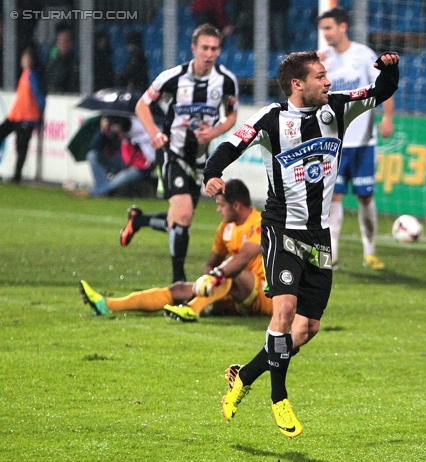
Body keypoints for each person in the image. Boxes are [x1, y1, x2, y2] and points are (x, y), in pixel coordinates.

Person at [202, 50, 400, 437]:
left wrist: (390, 69)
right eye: (321, 76)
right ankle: (279, 399)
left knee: (307, 328)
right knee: (286, 311)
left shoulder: (337, 111)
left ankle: (245, 376)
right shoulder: (271, 119)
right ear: (298, 84)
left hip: (318, 234)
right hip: (280, 228)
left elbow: (381, 91)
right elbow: (230, 146)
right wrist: (213, 173)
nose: (329, 82)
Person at [124, 23, 239, 284]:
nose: (209, 54)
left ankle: (139, 220)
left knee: (178, 221)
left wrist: (214, 132)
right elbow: (142, 104)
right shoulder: (173, 77)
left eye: (215, 49)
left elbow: (231, 114)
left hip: (199, 160)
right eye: (205, 48)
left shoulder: (226, 81)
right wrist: (154, 134)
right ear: (193, 49)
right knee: (184, 214)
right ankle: (179, 282)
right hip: (171, 152)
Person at [79, 179, 271, 321]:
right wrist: (203, 285)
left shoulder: (261, 223)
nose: (218, 210)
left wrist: (215, 276)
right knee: (178, 289)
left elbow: (244, 257)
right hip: (236, 294)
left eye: (221, 205)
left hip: (265, 296)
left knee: (233, 270)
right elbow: (211, 263)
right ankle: (106, 305)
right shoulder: (225, 228)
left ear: (236, 205)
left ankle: (191, 310)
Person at [317, 7, 395, 270]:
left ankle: (370, 251)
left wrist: (387, 117)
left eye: (329, 28)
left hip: (362, 142)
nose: (325, 34)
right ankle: (333, 254)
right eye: (323, 29)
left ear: (343, 27)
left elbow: (384, 85)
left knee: (365, 196)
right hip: (335, 142)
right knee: (334, 197)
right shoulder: (323, 61)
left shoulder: (363, 55)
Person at [0, 47, 45, 183]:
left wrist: (39, 115)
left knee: (21, 147)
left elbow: (39, 96)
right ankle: (16, 176)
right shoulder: (25, 74)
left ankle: (17, 176)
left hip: (27, 117)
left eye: (28, 58)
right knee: (18, 145)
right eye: (24, 58)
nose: (25, 61)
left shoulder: (32, 75)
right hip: (16, 115)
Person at [79, 116, 154, 198]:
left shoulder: (135, 130)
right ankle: (103, 190)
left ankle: (95, 193)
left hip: (137, 167)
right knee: (92, 155)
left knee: (118, 180)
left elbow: (148, 154)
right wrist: (102, 131)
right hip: (119, 163)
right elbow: (95, 146)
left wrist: (125, 136)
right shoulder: (111, 132)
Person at [46, 23, 79, 93]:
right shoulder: (52, 61)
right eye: (60, 40)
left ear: (71, 42)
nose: (62, 44)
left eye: (65, 41)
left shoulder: (76, 63)